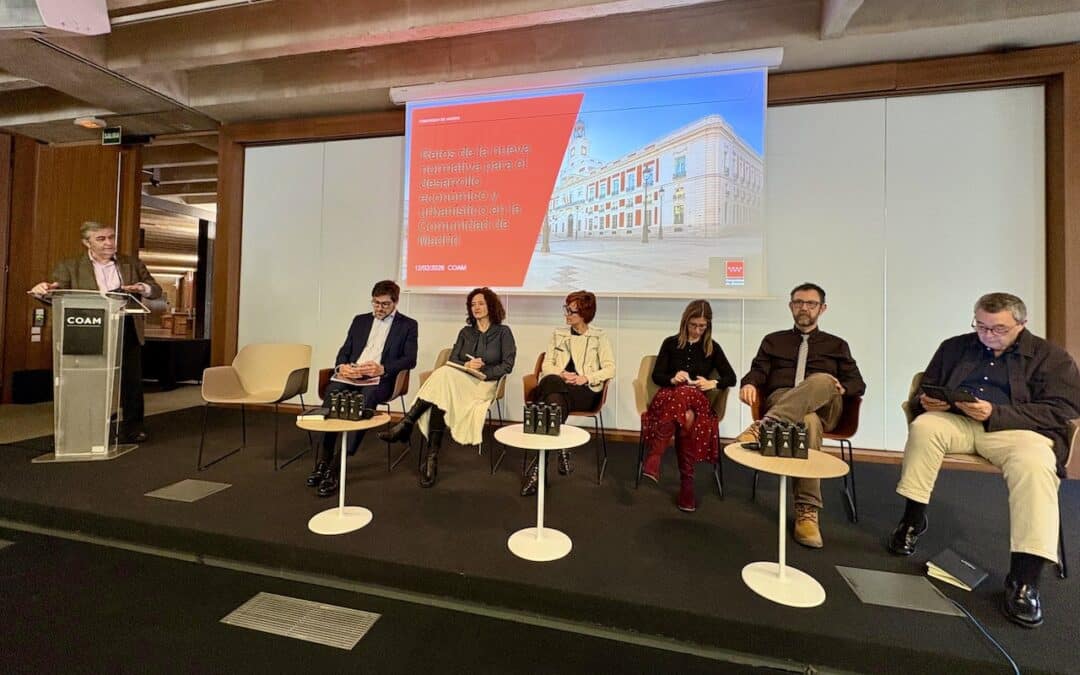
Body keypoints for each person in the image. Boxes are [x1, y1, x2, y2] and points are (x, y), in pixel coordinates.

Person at [887, 293, 1080, 629]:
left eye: (998, 329)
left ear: (1022, 324)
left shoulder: (1051, 358)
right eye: (981, 326)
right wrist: (931, 401)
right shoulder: (955, 346)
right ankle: (912, 520)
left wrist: (997, 412)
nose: (988, 335)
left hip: (1017, 430)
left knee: (1035, 466)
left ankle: (1025, 578)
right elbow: (927, 386)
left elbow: (1062, 410)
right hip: (959, 422)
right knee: (924, 428)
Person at [736, 282, 865, 548]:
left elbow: (858, 383)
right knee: (807, 421)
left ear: (822, 308)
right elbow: (758, 371)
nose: (804, 308)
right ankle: (807, 513)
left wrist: (842, 387)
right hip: (781, 399)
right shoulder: (773, 340)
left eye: (811, 303)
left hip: (825, 404)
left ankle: (765, 426)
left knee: (823, 381)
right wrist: (748, 383)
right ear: (790, 306)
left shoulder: (837, 345)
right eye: (798, 303)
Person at [29, 221, 161, 443]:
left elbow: (155, 290)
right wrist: (42, 291)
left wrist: (142, 288)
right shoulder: (70, 266)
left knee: (131, 381)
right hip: (89, 326)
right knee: (89, 379)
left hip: (126, 325)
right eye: (101, 239)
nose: (109, 243)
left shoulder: (131, 263)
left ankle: (134, 428)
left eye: (111, 237)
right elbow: (58, 293)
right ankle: (87, 425)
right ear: (86, 242)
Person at [379, 287, 516, 488]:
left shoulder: (503, 332)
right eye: (472, 304)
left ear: (491, 306)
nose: (476, 308)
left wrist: (484, 369)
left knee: (441, 383)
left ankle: (409, 426)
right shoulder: (465, 332)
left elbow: (507, 365)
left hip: (485, 384)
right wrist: (467, 365)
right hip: (459, 379)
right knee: (442, 386)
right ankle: (430, 457)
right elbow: (453, 359)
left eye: (480, 303)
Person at [306, 280, 418, 497]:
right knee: (332, 393)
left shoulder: (408, 325)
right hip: (353, 374)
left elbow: (410, 359)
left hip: (380, 379)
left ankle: (337, 467)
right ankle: (323, 461)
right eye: (376, 303)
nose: (379, 308)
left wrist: (382, 368)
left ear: (395, 302)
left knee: (365, 400)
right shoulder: (360, 321)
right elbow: (345, 350)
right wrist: (342, 367)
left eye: (385, 304)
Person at [640, 300, 736, 512]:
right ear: (685, 322)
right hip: (669, 398)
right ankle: (687, 484)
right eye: (693, 325)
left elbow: (731, 377)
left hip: (698, 400)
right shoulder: (670, 343)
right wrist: (673, 379)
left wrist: (712, 383)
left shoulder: (712, 348)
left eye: (702, 326)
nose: (697, 330)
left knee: (689, 398)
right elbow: (657, 376)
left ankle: (655, 454)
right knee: (687, 415)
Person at [520, 290, 615, 496]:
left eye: (572, 311)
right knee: (553, 390)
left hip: (585, 392)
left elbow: (609, 369)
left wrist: (585, 378)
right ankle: (555, 452)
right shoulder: (558, 334)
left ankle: (539, 470)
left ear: (585, 314)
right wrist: (562, 374)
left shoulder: (599, 336)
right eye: (567, 309)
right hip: (559, 390)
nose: (567, 314)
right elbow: (547, 366)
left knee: (548, 399)